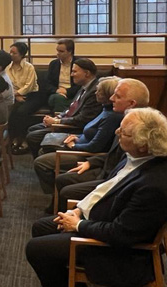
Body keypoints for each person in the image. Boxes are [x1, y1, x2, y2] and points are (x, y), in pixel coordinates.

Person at [26, 107, 167, 287]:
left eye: (123, 132)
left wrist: (77, 224)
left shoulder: (154, 185)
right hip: (100, 220)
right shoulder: (136, 156)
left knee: (36, 249)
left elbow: (120, 234)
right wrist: (78, 210)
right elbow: (105, 189)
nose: (117, 133)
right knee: (40, 227)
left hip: (117, 251)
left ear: (143, 144)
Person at [54, 78, 150, 212]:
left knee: (66, 189)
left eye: (117, 96)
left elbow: (126, 167)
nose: (111, 99)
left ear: (131, 103)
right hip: (105, 167)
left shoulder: (139, 129)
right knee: (62, 180)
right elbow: (114, 153)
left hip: (113, 179)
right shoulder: (122, 118)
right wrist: (91, 163)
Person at [33, 77, 123, 212]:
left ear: (107, 95)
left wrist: (74, 146)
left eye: (99, 91)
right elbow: (90, 131)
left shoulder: (111, 116)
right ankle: (55, 195)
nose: (95, 93)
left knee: (41, 162)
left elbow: (95, 146)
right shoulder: (105, 110)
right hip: (79, 143)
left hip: (85, 154)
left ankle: (55, 195)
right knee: (43, 149)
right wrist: (77, 137)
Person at [10, 39, 80, 154]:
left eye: (61, 51)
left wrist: (67, 92)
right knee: (16, 111)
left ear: (70, 52)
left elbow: (81, 84)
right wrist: (57, 90)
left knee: (55, 99)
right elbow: (48, 83)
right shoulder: (54, 64)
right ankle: (16, 140)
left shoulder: (78, 63)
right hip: (56, 92)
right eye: (57, 51)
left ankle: (60, 126)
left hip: (71, 93)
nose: (58, 53)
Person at [25, 58, 100, 158]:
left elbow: (83, 119)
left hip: (74, 129)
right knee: (32, 129)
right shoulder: (84, 87)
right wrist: (58, 117)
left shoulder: (94, 92)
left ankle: (43, 161)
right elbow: (71, 108)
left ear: (86, 73)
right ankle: (43, 158)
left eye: (74, 71)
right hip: (66, 122)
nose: (71, 74)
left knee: (33, 137)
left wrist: (57, 122)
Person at [6, 42, 39, 149]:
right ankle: (12, 139)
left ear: (21, 55)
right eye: (10, 52)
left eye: (14, 53)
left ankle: (21, 139)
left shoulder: (29, 67)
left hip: (31, 95)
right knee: (10, 109)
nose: (11, 54)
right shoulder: (7, 67)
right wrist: (15, 95)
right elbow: (7, 84)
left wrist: (17, 94)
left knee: (22, 111)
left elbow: (29, 85)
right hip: (14, 95)